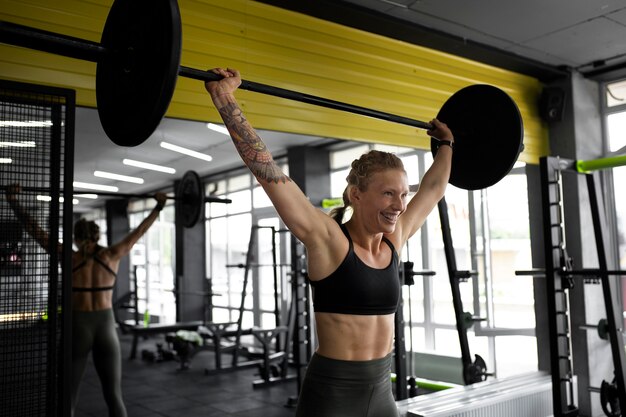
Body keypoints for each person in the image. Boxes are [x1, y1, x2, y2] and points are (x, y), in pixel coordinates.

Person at [205, 68, 454, 417]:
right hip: (333, 397)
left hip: (383, 391)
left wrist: (446, 144)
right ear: (356, 195)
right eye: (387, 194)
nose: (400, 205)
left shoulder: (393, 241)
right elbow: (268, 172)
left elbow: (433, 189)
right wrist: (225, 99)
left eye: (402, 195)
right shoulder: (329, 241)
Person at [5, 185, 167, 417]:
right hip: (105, 327)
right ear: (97, 236)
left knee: (68, 399)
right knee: (114, 396)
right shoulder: (112, 255)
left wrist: (13, 201)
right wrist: (159, 206)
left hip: (77, 326)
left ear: (76, 238)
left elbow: (35, 230)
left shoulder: (67, 256)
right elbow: (139, 231)